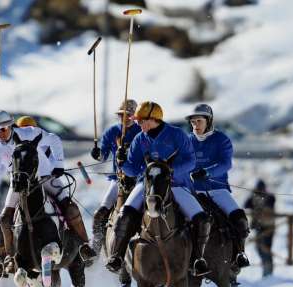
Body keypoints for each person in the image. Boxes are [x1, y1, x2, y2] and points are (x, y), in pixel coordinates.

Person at [0, 111, 96, 277]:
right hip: (18, 184)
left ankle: (84, 246)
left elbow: (54, 139)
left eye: (2, 129)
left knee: (70, 207)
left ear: (10, 126)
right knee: (2, 221)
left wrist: (59, 164)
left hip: (44, 177)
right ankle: (8, 260)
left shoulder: (30, 133)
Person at [105, 101, 211, 276]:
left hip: (175, 184)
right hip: (146, 185)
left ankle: (197, 259)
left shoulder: (177, 135)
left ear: (153, 119)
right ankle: (117, 256)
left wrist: (169, 171)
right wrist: (122, 162)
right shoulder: (140, 138)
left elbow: (190, 161)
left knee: (201, 218)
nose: (138, 124)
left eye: (141, 121)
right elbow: (131, 168)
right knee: (125, 214)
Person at [186, 104, 250, 269]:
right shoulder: (187, 141)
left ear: (208, 121)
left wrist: (207, 172)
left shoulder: (222, 139)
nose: (195, 126)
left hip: (217, 191)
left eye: (199, 121)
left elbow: (226, 163)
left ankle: (239, 253)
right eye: (193, 122)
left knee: (240, 219)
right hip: (193, 191)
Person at [89, 99, 142, 255]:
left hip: (139, 180)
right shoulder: (111, 132)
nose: (124, 118)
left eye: (128, 115)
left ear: (135, 116)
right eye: (121, 115)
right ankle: (96, 246)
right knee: (101, 212)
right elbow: (103, 156)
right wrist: (98, 154)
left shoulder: (142, 132)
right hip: (118, 180)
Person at [245, 179, 276, 277]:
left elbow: (269, 203)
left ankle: (268, 271)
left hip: (268, 227)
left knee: (266, 248)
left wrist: (259, 198)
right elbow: (246, 205)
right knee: (259, 248)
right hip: (259, 227)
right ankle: (266, 268)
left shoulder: (270, 197)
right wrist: (254, 196)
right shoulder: (254, 197)